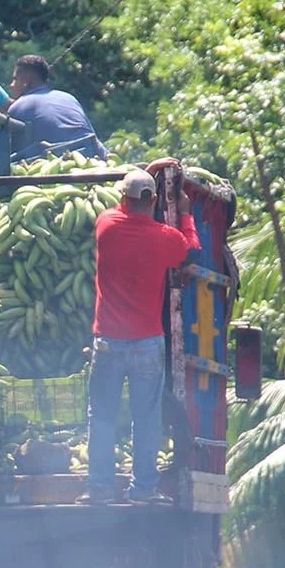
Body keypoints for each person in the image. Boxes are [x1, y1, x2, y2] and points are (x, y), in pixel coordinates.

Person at [85, 168, 198, 504]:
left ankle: (100, 489)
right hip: (146, 343)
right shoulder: (165, 237)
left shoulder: (106, 224)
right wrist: (186, 212)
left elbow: (122, 210)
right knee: (146, 418)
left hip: (107, 341)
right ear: (153, 202)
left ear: (123, 198)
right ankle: (143, 491)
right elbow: (191, 250)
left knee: (102, 415)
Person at [6, 54, 105, 161]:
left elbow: (11, 154)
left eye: (15, 79)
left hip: (57, 161)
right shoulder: (69, 98)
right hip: (94, 157)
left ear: (26, 81)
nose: (11, 85)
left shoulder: (19, 106)